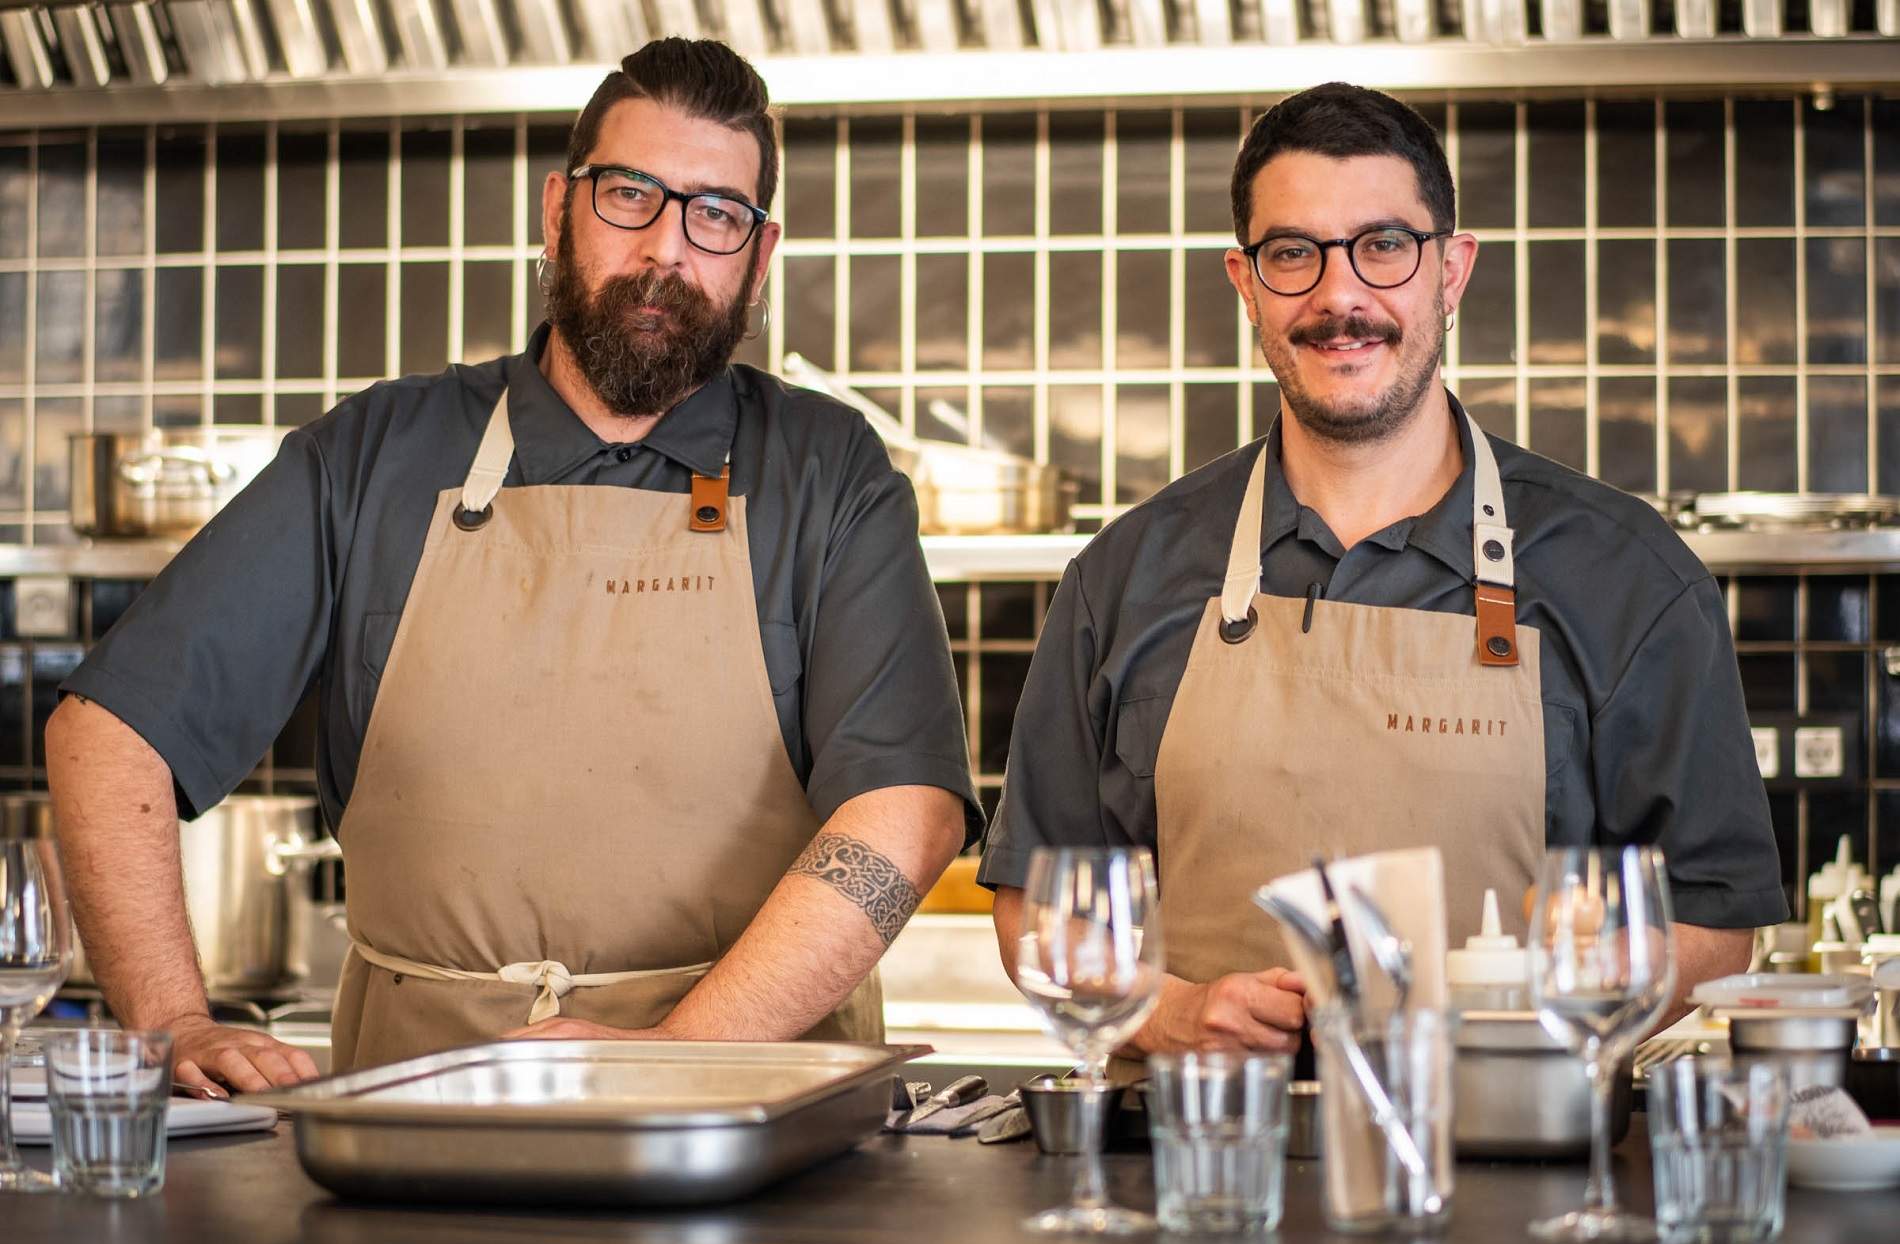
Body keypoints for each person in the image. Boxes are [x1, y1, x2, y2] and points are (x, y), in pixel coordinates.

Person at [46, 37, 977, 1091]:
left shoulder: (828, 470)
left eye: (715, 214)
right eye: (631, 194)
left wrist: (674, 1056)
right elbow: (105, 733)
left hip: (745, 1105)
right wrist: (171, 1019)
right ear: (557, 210)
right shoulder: (373, 457)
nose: (667, 249)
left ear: (757, 258)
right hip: (416, 1113)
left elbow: (910, 808)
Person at [979, 83, 1785, 1061]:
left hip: (1519, 1169)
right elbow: (1036, 904)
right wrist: (1173, 1015)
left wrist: (1514, 1021)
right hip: (1204, 1175)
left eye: (1384, 246)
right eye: (1292, 254)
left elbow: (1713, 922)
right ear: (1244, 281)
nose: (1338, 298)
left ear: (1450, 269)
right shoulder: (1124, 575)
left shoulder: (1628, 579)